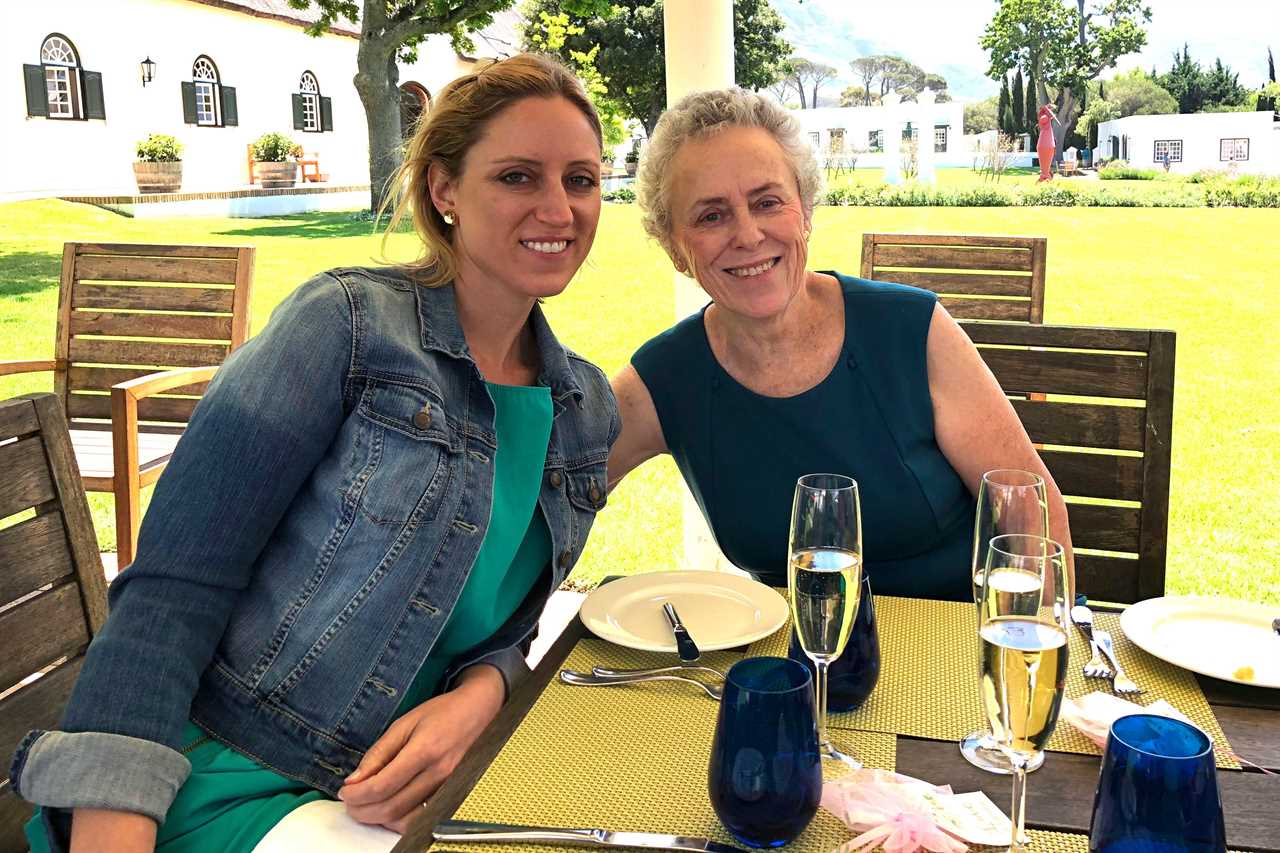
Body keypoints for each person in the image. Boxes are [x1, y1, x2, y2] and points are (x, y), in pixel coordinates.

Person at [12, 53, 619, 853]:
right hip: (229, 775)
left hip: (400, 791)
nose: (558, 208)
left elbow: (500, 622)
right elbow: (175, 584)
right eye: (516, 177)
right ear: (444, 190)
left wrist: (483, 688)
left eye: (581, 179)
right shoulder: (346, 325)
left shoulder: (584, 406)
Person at [607, 88, 1072, 601]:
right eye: (711, 216)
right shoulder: (667, 376)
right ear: (674, 247)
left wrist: (1023, 658)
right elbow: (546, 504)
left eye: (767, 202)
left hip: (962, 644)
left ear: (804, 211)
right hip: (801, 664)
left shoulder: (910, 330)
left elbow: (1028, 512)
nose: (748, 234)